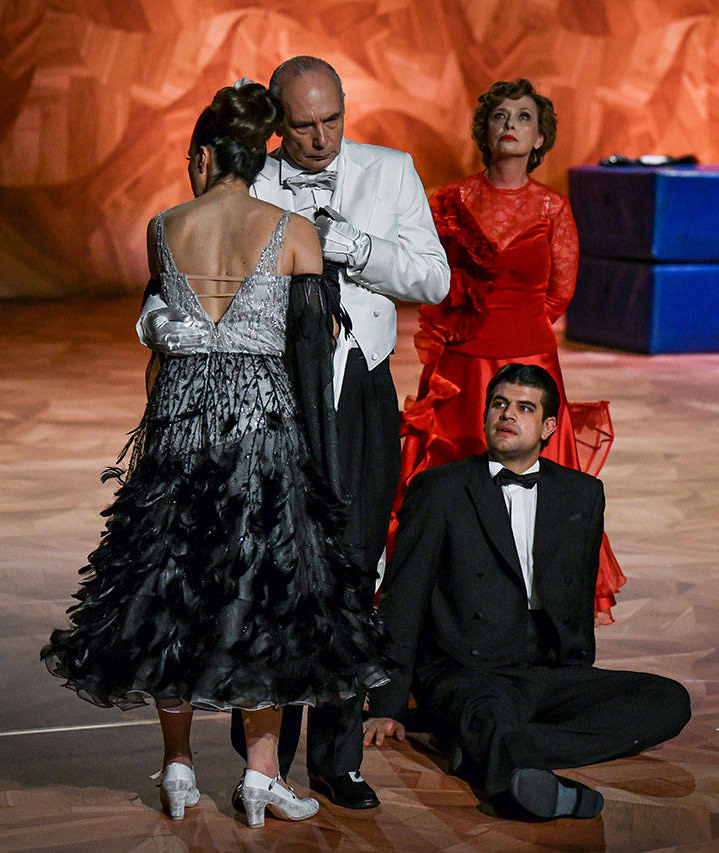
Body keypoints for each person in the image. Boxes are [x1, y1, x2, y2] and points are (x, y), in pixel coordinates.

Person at [42, 82, 388, 828]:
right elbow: (313, 351)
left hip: (180, 425)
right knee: (265, 593)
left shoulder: (165, 227)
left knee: (171, 587)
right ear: (259, 154)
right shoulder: (294, 232)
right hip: (262, 429)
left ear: (203, 156)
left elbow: (160, 339)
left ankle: (177, 766)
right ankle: (262, 779)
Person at [225, 55, 450, 811]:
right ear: (276, 123)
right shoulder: (251, 182)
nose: (321, 139)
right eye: (303, 126)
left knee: (354, 565)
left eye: (333, 120)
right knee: (274, 568)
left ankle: (338, 758)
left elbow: (434, 279)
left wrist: (356, 247)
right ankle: (267, 761)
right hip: (278, 391)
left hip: (361, 389)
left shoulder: (391, 171)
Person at [365, 364, 691, 820]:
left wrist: (574, 671)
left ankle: (489, 747)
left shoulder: (581, 494)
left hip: (545, 671)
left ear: (548, 427)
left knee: (668, 701)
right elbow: (404, 598)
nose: (508, 415)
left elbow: (577, 596)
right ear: (485, 415)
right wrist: (387, 704)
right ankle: (522, 771)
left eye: (524, 408)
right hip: (467, 670)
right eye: (499, 404)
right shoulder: (440, 490)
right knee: (487, 713)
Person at [394, 78, 624, 625]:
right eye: (500, 115)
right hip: (461, 364)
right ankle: (448, 607)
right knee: (454, 475)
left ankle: (536, 611)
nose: (511, 125)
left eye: (524, 117)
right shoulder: (448, 200)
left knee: (536, 481)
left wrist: (514, 328)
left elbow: (560, 292)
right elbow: (428, 277)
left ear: (540, 137)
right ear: (485, 130)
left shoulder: (552, 208)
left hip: (530, 358)